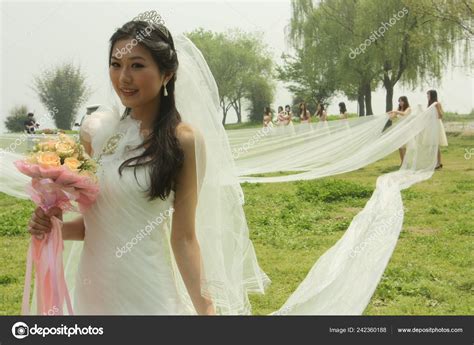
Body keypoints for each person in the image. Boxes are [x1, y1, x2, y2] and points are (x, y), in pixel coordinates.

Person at [27, 13, 269, 315]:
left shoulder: (184, 141)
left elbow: (183, 237)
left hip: (149, 292)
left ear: (166, 74)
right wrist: (54, 228)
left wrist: (206, 310)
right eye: (116, 65)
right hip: (93, 293)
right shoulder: (98, 135)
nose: (123, 77)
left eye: (137, 66)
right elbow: (98, 225)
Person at [427, 89, 448, 169]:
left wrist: (437, 112)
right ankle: (435, 162)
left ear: (432, 95)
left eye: (428, 95)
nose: (427, 97)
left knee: (436, 145)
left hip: (436, 125)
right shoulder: (429, 104)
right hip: (431, 126)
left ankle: (438, 163)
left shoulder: (436, 104)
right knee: (432, 145)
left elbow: (441, 115)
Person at [388, 96, 412, 165]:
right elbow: (391, 118)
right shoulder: (398, 109)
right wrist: (391, 114)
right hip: (399, 130)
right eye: (399, 101)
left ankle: (406, 162)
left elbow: (404, 114)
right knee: (400, 147)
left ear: (405, 101)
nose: (400, 103)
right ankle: (402, 162)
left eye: (401, 101)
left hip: (406, 129)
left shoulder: (408, 109)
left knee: (405, 146)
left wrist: (396, 111)